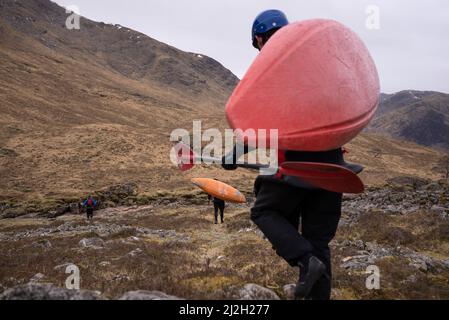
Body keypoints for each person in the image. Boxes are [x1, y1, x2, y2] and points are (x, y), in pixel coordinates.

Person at [222, 9, 362, 300]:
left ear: (260, 38)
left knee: (265, 211)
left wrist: (233, 154)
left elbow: (261, 125)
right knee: (319, 241)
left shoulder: (274, 72)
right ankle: (314, 281)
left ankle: (304, 260)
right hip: (333, 170)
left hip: (296, 168)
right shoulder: (323, 67)